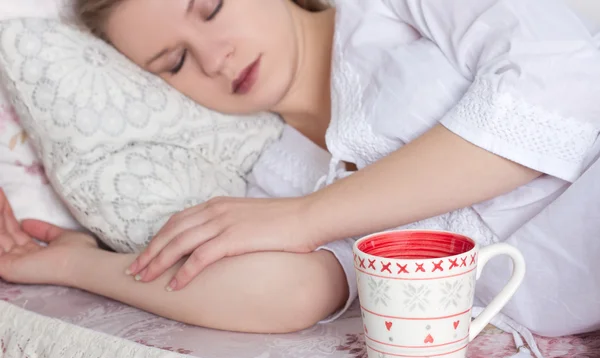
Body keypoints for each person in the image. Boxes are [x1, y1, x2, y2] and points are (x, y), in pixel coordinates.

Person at [1, 0, 599, 340]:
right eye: (175, 62)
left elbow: (565, 87)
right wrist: (75, 263)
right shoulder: (276, 173)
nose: (214, 59)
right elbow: (283, 293)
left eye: (210, 8)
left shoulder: (388, 10)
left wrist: (308, 217)